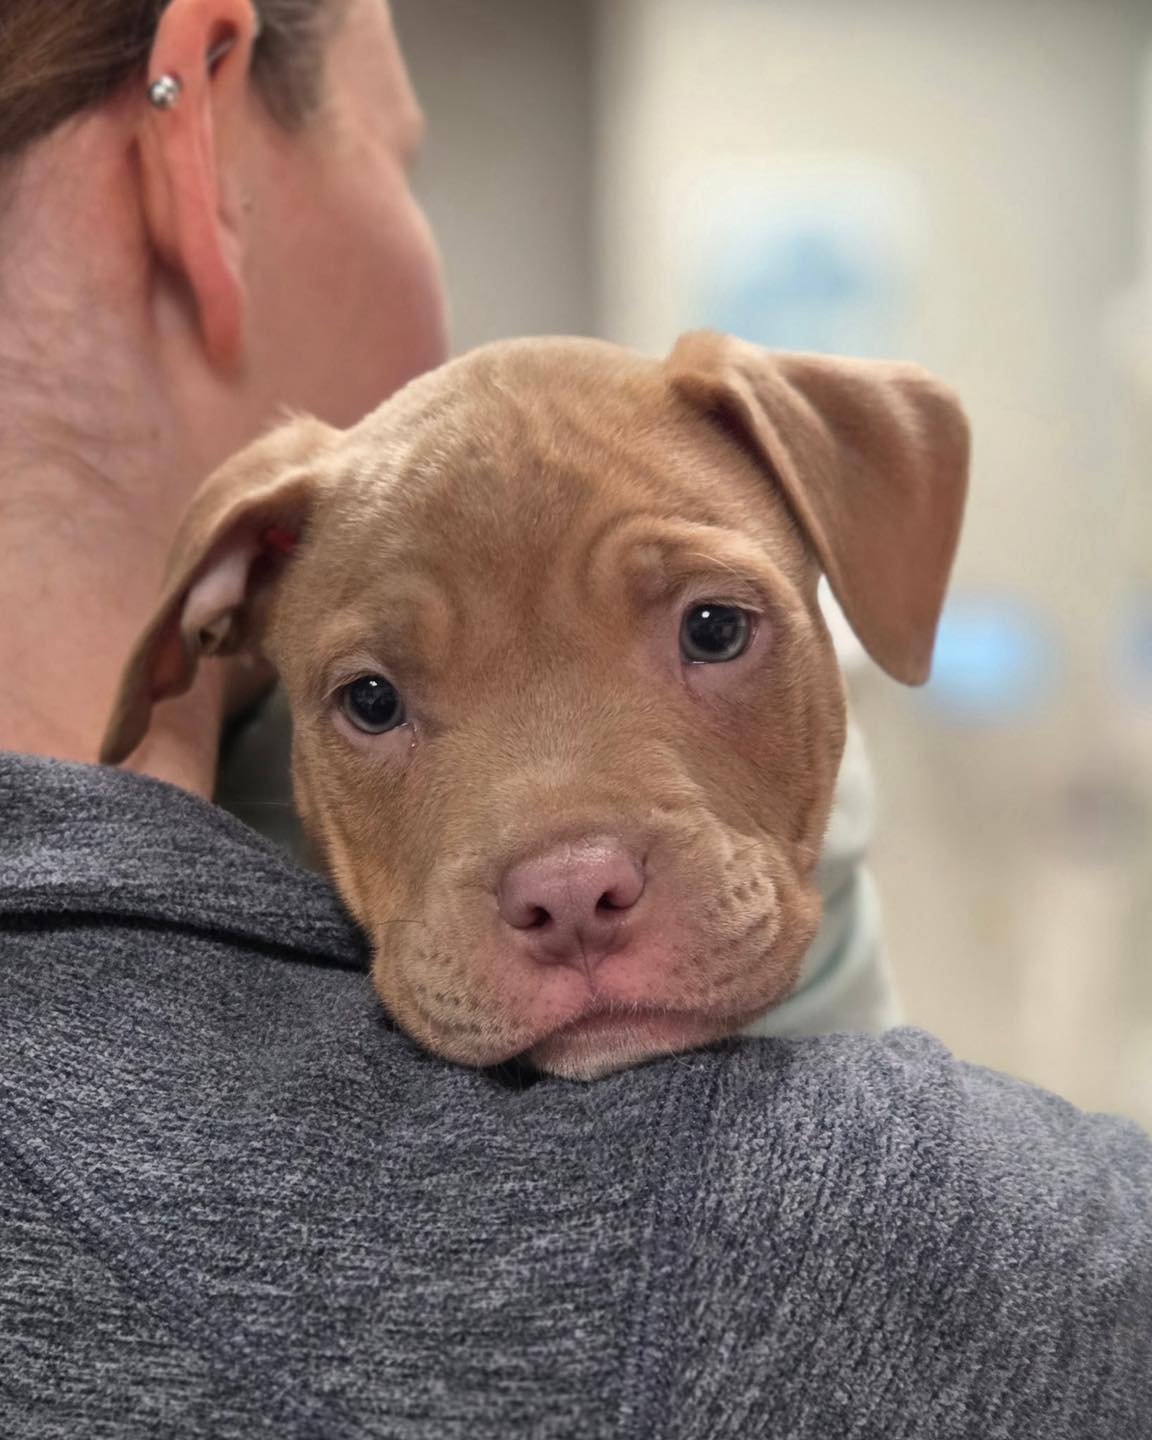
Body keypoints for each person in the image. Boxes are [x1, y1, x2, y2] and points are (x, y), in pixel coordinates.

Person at [0, 2, 1148, 1436]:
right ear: (198, 145)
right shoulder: (932, 1251)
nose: (572, 875)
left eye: (711, 629)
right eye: (372, 700)